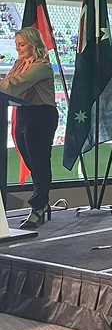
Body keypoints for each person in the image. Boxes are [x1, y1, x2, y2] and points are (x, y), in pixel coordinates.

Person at [0, 28, 59, 228]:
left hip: (41, 115)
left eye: (22, 44)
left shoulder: (42, 66)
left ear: (33, 44)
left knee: (39, 162)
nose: (18, 48)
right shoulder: (19, 64)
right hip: (24, 114)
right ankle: (42, 202)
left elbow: (15, 84)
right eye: (16, 45)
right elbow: (7, 85)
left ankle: (39, 206)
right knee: (31, 162)